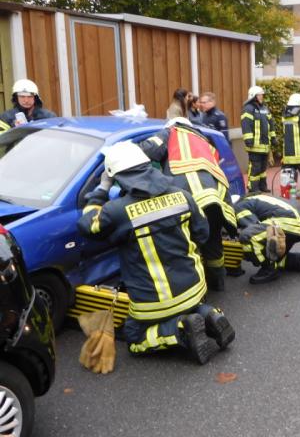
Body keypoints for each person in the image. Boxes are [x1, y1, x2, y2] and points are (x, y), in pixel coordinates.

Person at [77, 141, 235, 364]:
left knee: (134, 337)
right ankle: (209, 313)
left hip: (153, 302)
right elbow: (203, 233)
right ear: (147, 165)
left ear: (116, 176)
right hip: (194, 288)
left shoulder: (117, 211)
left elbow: (87, 225)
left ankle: (180, 328)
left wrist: (102, 189)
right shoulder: (183, 195)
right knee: (189, 305)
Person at [139, 117, 237, 291]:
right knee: (213, 240)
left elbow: (149, 149)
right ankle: (217, 283)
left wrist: (122, 154)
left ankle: (195, 291)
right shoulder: (205, 141)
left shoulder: (172, 131)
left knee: (186, 244)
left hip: (188, 200)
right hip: (213, 199)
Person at [233, 194, 300, 284]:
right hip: (297, 226)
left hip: (282, 222)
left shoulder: (238, 207)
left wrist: (246, 253)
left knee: (246, 237)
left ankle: (268, 269)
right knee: (278, 261)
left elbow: (252, 226)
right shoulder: (254, 199)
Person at [241, 86, 276, 193]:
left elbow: (271, 123)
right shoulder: (248, 109)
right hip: (254, 145)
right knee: (255, 167)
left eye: (262, 95)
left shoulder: (264, 108)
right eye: (260, 95)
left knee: (263, 168)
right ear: (254, 96)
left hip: (264, 145)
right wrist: (248, 139)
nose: (262, 97)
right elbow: (246, 125)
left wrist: (273, 137)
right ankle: (253, 188)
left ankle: (262, 186)